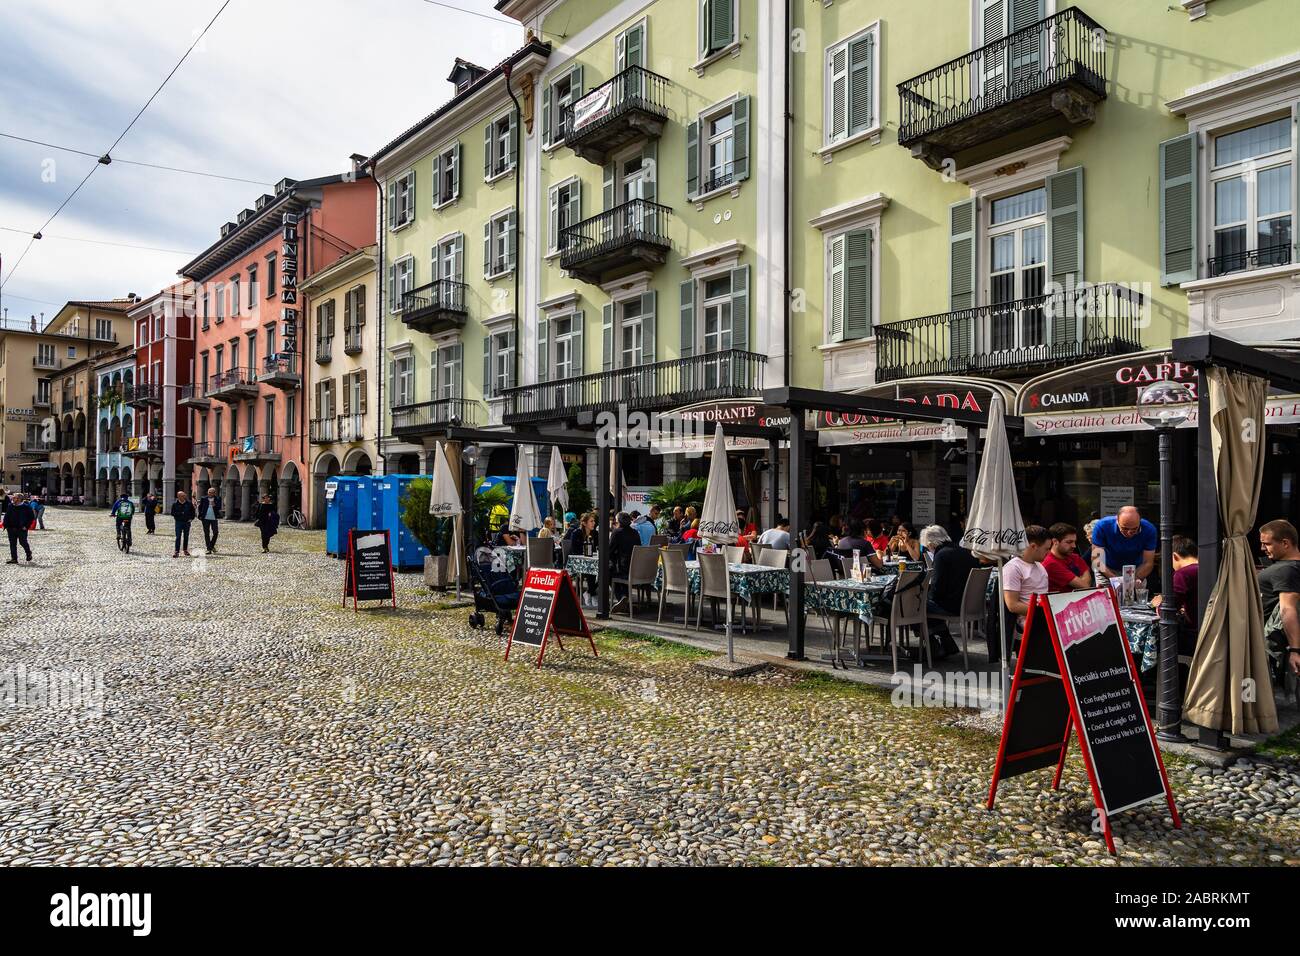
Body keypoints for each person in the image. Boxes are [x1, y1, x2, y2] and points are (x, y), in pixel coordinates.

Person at [1000, 525, 1053, 661]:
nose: (1049, 553)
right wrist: (1044, 612)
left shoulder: (1040, 566)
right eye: (1046, 549)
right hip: (1029, 619)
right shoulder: (1013, 568)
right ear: (1033, 546)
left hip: (1042, 615)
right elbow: (1012, 605)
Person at [1259, 519, 1300, 677]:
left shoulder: (1287, 570)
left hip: (1271, 650)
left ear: (1285, 543)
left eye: (1267, 544)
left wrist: (1295, 651)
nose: (1262, 548)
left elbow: (1288, 609)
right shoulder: (1286, 568)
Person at [1091, 505, 1157, 582]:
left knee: (1135, 593)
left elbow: (1148, 562)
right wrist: (1115, 580)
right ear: (1117, 521)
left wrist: (1133, 579)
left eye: (1135, 529)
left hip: (1136, 569)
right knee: (1106, 593)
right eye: (1125, 528)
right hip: (1106, 568)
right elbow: (1097, 559)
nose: (1129, 533)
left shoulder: (1149, 529)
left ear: (1140, 521)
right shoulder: (1102, 526)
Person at [1152, 535, 1200, 633]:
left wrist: (1160, 604)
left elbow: (1167, 612)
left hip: (1194, 632)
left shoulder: (1182, 574)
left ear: (1174, 556)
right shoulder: (1212, 566)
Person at [1043, 523, 1092, 592]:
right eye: (1069, 542)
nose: (1074, 546)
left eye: (1074, 542)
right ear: (1055, 541)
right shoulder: (1050, 563)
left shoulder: (1075, 557)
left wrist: (1081, 580)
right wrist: (1082, 579)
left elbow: (1087, 581)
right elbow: (1085, 585)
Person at [608, 512, 641, 613]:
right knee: (617, 571)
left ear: (618, 522)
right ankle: (625, 602)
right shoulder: (635, 533)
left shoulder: (617, 532)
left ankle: (622, 597)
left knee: (608, 573)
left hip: (624, 570)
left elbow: (609, 551)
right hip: (637, 570)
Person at [5, 493, 34, 563]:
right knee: (12, 544)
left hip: (21, 528)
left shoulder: (26, 507)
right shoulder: (10, 506)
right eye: (13, 497)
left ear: (19, 499)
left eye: (14, 498)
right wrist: (6, 525)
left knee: (23, 542)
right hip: (11, 528)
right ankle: (14, 559)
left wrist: (26, 526)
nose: (13, 499)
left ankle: (28, 553)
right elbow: (7, 515)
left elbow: (31, 517)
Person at [196, 486, 223, 554]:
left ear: (214, 493)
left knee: (216, 532)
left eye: (212, 492)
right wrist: (200, 515)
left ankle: (211, 545)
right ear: (207, 492)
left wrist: (214, 505)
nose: (210, 494)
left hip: (214, 518)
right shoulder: (204, 498)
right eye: (209, 492)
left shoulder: (218, 499)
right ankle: (209, 548)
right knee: (206, 533)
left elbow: (219, 507)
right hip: (205, 518)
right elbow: (200, 507)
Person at [170, 490, 196, 557]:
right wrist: (180, 513)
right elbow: (172, 513)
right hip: (178, 522)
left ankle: (185, 550)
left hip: (187, 522)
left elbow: (193, 512)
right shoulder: (175, 504)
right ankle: (176, 551)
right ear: (178, 496)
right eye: (182, 496)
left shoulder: (189, 503)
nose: (184, 497)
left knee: (186, 537)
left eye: (184, 495)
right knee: (178, 537)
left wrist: (191, 519)